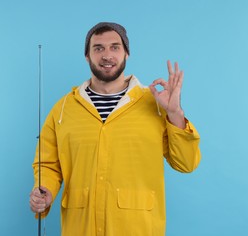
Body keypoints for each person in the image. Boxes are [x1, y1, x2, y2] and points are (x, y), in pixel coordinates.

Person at [29, 22, 201, 235]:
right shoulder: (64, 108)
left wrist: (175, 114)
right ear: (87, 56)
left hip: (138, 228)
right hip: (80, 228)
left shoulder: (155, 105)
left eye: (115, 47)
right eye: (98, 48)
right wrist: (45, 190)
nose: (107, 55)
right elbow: (48, 164)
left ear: (126, 53)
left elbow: (186, 163)